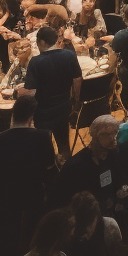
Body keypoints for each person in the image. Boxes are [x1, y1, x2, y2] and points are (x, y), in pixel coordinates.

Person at [0, 95, 57, 256]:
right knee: (33, 241)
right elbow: (49, 169)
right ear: (32, 119)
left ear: (13, 114)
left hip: (3, 199)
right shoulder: (43, 136)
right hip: (33, 195)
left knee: (5, 246)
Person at [17, 25, 83, 159]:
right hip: (64, 107)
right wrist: (76, 100)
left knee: (44, 146)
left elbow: (30, 91)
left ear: (41, 42)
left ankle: (49, 171)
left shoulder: (36, 62)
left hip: (43, 111)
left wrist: (16, 93)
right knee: (64, 144)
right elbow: (78, 79)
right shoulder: (69, 55)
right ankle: (66, 169)